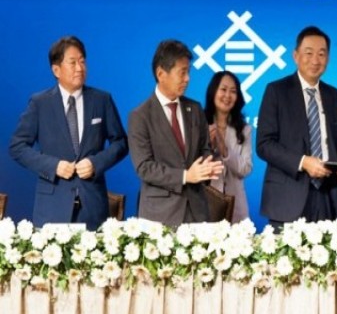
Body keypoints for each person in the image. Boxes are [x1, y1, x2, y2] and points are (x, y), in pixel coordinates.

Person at [9, 36, 128, 230]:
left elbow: (121, 143)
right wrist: (53, 166)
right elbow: (17, 147)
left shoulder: (102, 100)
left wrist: (95, 163)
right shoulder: (40, 103)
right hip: (52, 207)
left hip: (93, 206)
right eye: (72, 63)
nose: (80, 68)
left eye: (82, 61)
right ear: (56, 70)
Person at [256, 26, 337, 231]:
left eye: (321, 54)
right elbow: (264, 144)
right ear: (295, 56)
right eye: (309, 53)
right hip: (288, 196)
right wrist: (303, 162)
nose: (315, 60)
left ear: (328, 58)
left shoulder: (334, 95)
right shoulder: (276, 91)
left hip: (327, 196)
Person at [128, 39, 223, 228]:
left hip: (196, 212)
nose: (187, 78)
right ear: (161, 74)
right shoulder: (140, 116)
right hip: (159, 216)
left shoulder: (195, 109)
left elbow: (204, 149)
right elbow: (144, 167)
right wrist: (185, 176)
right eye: (182, 72)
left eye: (189, 72)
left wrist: (207, 165)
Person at [204, 71, 253, 223]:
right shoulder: (199, 123)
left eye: (233, 91)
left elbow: (245, 169)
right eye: (223, 89)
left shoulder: (245, 129)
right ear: (213, 91)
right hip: (205, 203)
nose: (227, 95)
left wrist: (224, 150)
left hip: (236, 207)